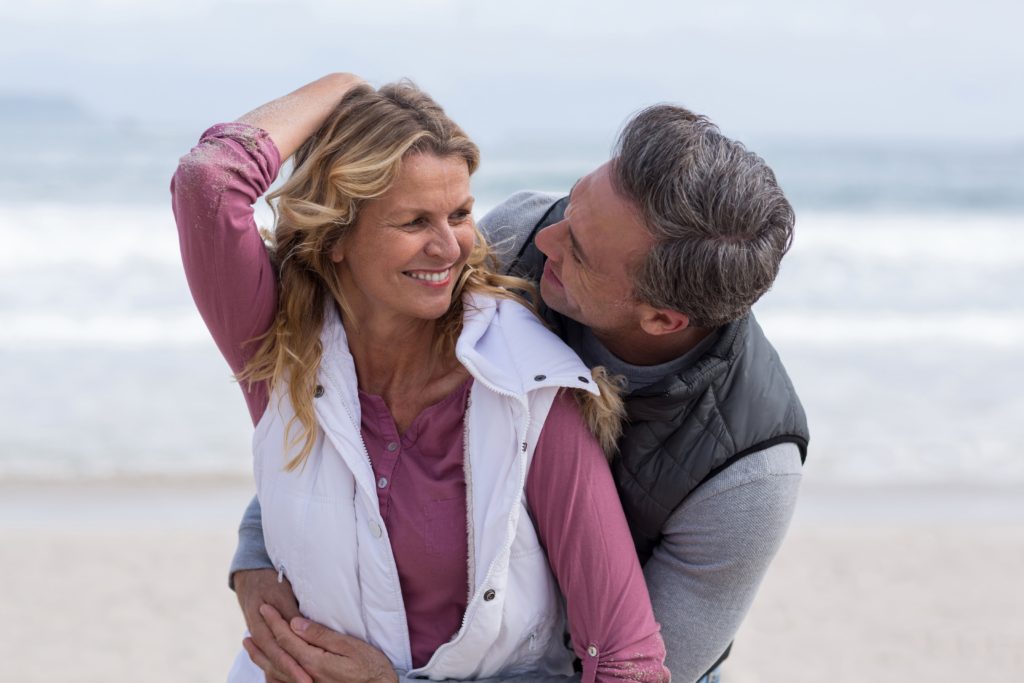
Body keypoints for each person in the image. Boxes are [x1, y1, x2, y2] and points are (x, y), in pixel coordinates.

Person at [230, 85, 810, 683]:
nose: (541, 242)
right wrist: (258, 548)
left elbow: (631, 672)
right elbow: (366, 398)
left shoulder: (747, 480)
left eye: (578, 251)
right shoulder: (525, 230)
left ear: (662, 319)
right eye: (571, 206)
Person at [171, 73, 670, 683]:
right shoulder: (281, 346)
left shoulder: (529, 389)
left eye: (459, 213)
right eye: (413, 222)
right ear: (336, 237)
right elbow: (208, 181)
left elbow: (629, 663)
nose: (450, 247)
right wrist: (345, 87)